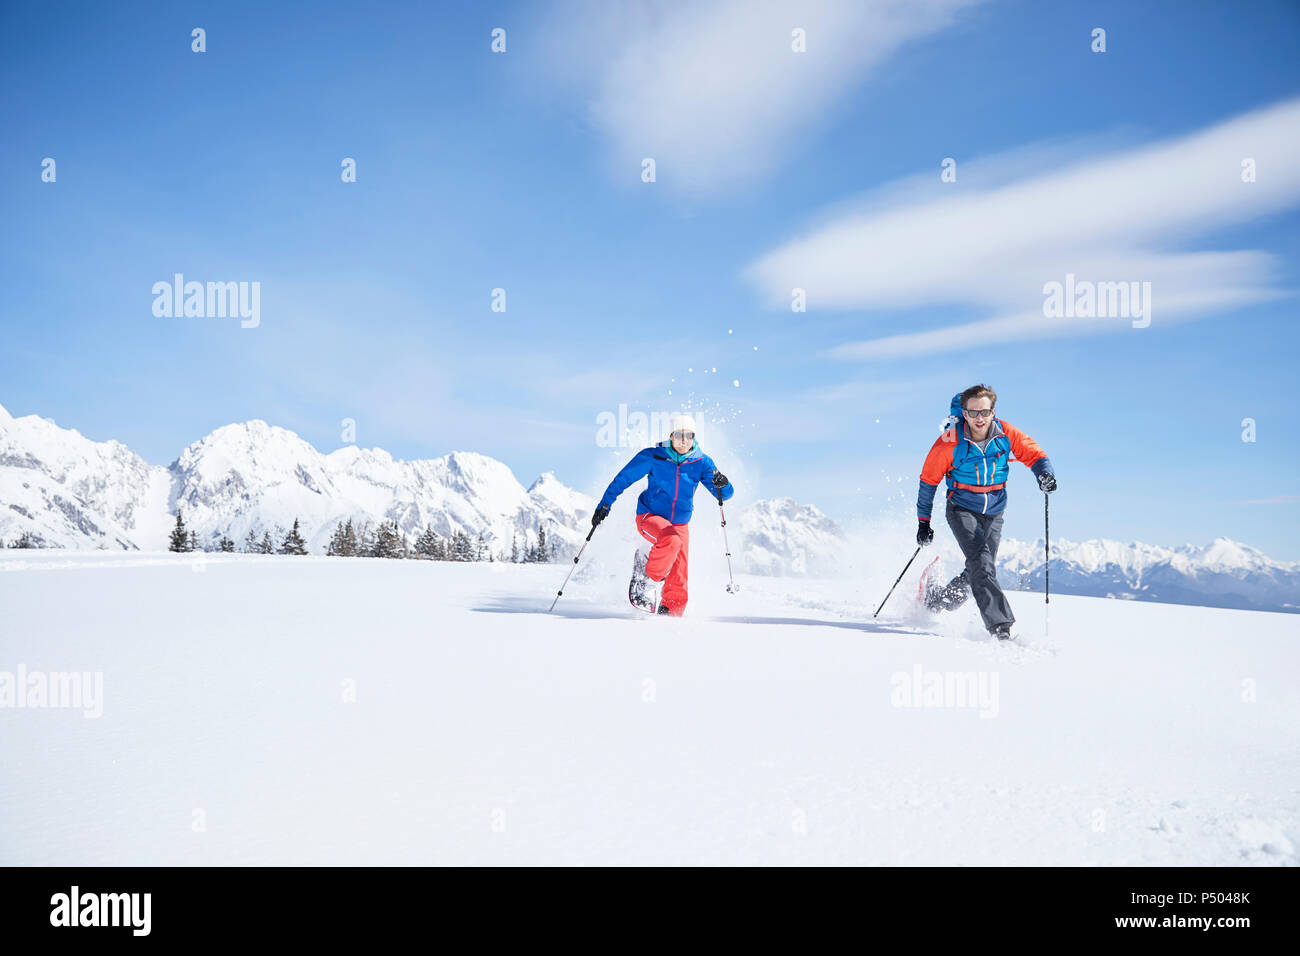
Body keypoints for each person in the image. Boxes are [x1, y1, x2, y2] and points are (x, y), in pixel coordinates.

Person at [915, 384, 1056, 639]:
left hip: (995, 509)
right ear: (964, 414)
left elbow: (1034, 454)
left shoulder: (1006, 433)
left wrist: (1045, 475)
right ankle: (1000, 626)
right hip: (961, 508)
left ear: (993, 412)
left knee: (980, 569)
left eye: (984, 412)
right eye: (973, 413)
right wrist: (923, 522)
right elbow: (928, 481)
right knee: (981, 563)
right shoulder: (949, 442)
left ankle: (937, 601)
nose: (979, 418)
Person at [591, 413, 733, 616]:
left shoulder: (702, 462)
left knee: (679, 578)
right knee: (671, 541)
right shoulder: (653, 456)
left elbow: (725, 495)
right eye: (678, 435)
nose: (683, 441)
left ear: (694, 437)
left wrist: (723, 483)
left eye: (688, 436)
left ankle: (669, 617)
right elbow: (622, 479)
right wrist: (604, 505)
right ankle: (645, 579)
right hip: (650, 517)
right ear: (670, 436)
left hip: (680, 524)